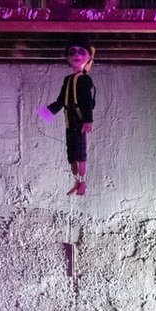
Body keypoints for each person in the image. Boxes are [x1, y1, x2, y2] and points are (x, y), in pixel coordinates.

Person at [37, 41, 96, 195]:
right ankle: (76, 179)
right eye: (72, 52)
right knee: (71, 151)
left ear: (89, 57)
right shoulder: (68, 79)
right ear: (67, 57)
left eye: (81, 52)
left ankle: (82, 181)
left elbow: (87, 102)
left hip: (80, 121)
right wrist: (49, 111)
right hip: (69, 121)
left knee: (81, 150)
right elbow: (61, 100)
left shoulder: (85, 79)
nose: (76, 55)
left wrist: (88, 120)